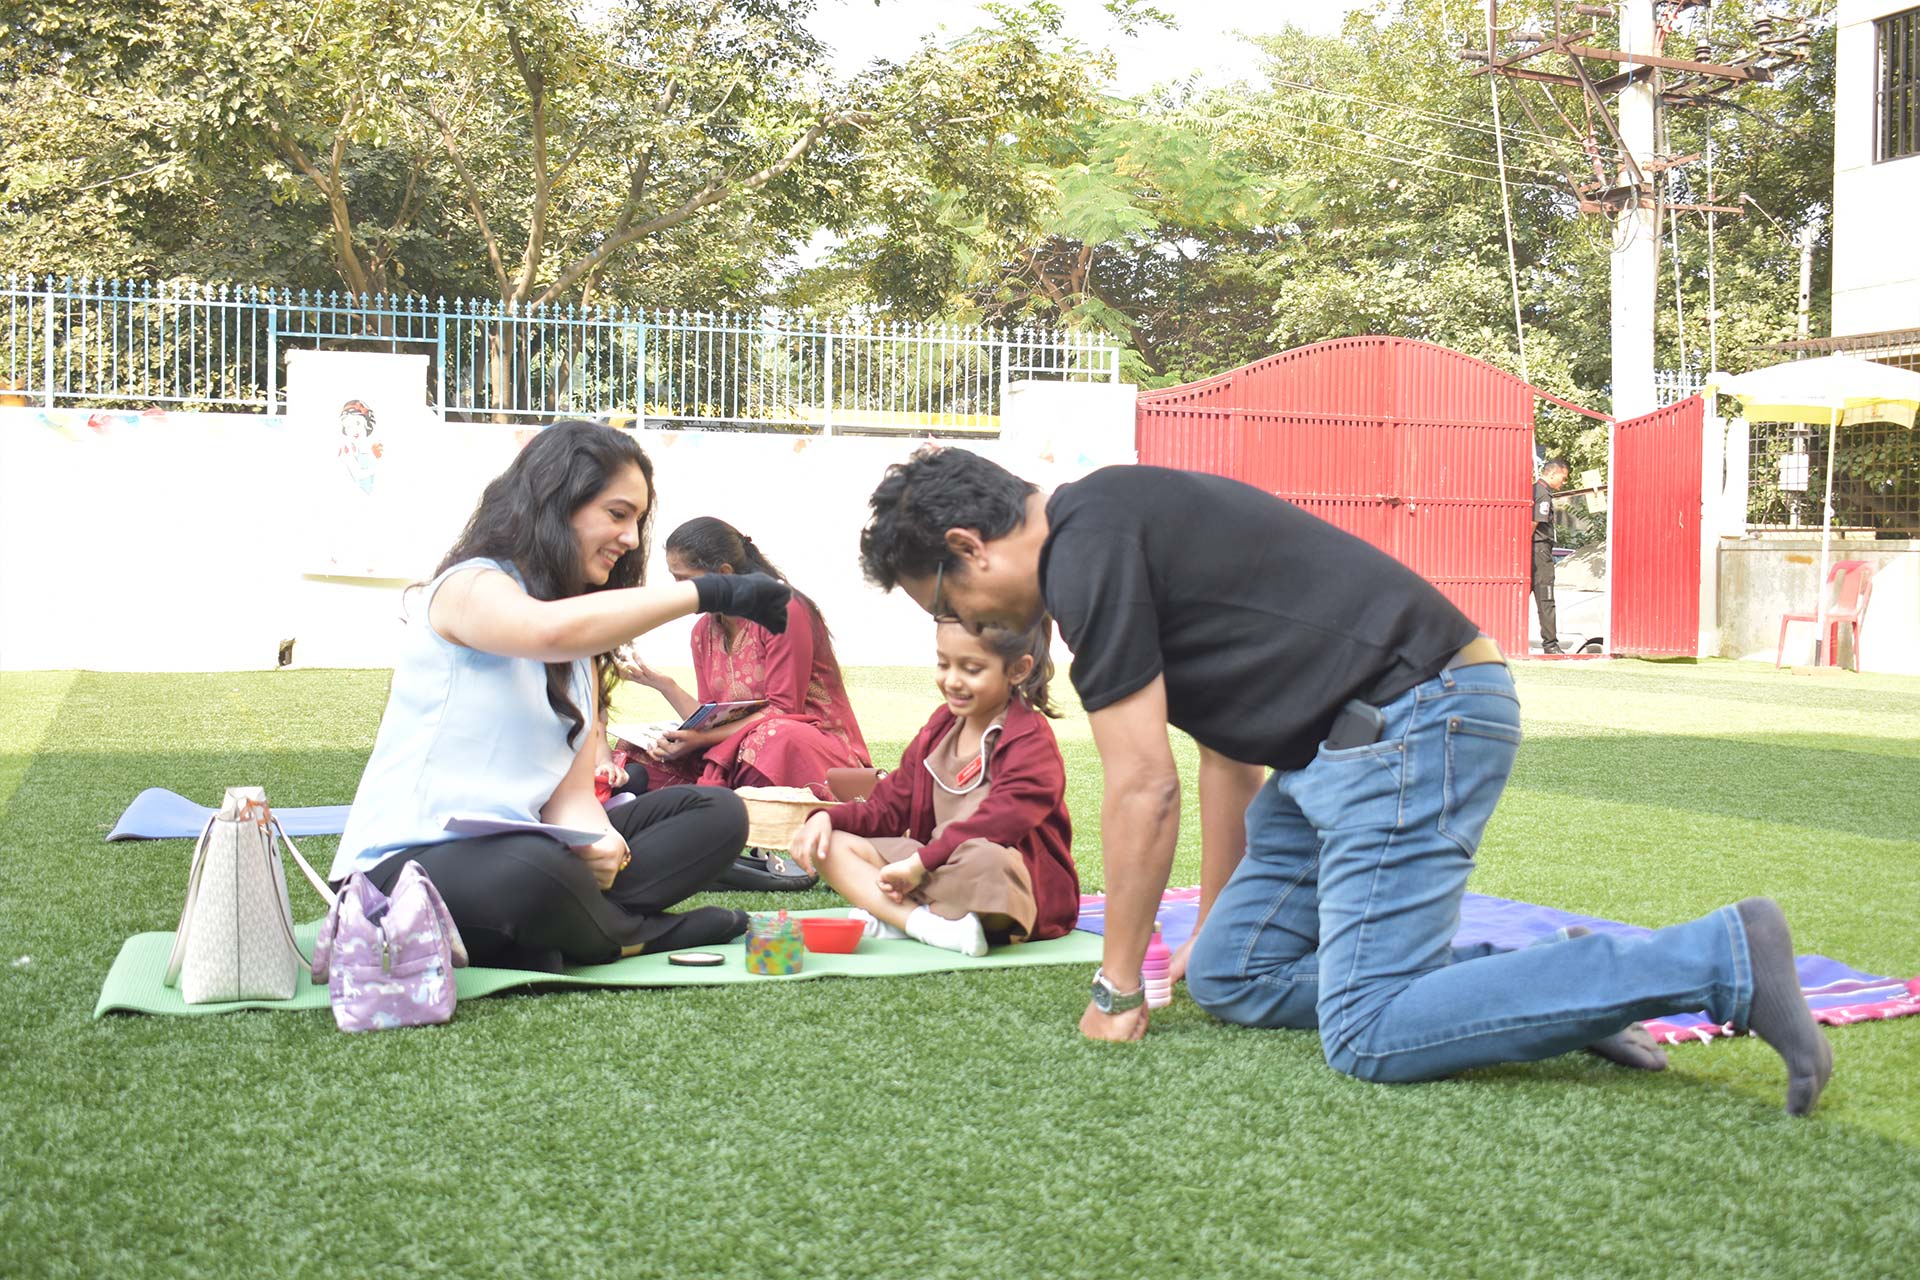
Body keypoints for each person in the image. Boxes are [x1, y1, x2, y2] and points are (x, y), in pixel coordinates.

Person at [855, 446, 1832, 1115]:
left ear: (967, 548)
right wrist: (1209, 925)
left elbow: (1142, 787)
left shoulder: (1087, 551)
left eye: (945, 602)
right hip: (1336, 754)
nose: (966, 624)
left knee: (1369, 1033)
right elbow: (1226, 755)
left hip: (1417, 722)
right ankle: (1550, 982)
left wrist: (1117, 989)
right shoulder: (1102, 523)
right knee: (1232, 976)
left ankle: (1721, 958)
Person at [328, 421, 795, 970]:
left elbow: (570, 797)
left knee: (718, 814)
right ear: (557, 503)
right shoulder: (468, 586)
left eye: (637, 521)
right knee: (534, 871)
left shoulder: (581, 652)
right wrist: (710, 591)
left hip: (533, 851)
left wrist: (597, 840)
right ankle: (632, 936)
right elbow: (544, 630)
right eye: (617, 514)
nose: (630, 539)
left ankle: (550, 933)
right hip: (403, 870)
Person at [788, 618, 1078, 956]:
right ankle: (925, 924)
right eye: (944, 664)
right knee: (832, 845)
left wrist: (919, 864)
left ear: (1017, 670)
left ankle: (900, 916)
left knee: (986, 860)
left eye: (971, 669)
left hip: (998, 878)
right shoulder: (940, 728)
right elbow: (887, 808)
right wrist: (827, 818)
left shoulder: (1030, 739)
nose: (952, 680)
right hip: (932, 868)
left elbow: (1000, 821)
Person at [616, 517, 870, 794]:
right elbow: (712, 719)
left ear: (724, 573)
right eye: (674, 577)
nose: (677, 589)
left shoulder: (783, 611)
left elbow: (784, 711)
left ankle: (720, 797)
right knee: (637, 751)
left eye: (685, 579)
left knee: (772, 737)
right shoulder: (703, 632)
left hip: (806, 748)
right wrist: (666, 686)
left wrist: (701, 740)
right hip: (737, 749)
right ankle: (704, 801)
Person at [1533, 456, 1570, 655]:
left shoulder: (1536, 490)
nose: (1563, 483)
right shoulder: (1543, 494)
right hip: (1539, 550)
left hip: (1533, 550)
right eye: (1563, 478)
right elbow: (1534, 522)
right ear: (1553, 473)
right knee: (1546, 597)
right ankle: (1551, 645)